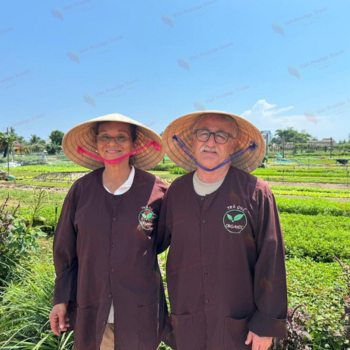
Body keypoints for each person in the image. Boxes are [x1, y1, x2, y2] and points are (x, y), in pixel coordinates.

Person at [157, 111, 287, 350]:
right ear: (193, 141)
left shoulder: (256, 192)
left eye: (221, 136)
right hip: (188, 323)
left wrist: (266, 325)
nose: (210, 142)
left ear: (233, 144)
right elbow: (149, 244)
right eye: (203, 134)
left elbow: (272, 260)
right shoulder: (176, 192)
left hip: (238, 328)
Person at [49, 113, 169, 350]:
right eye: (105, 136)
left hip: (140, 313)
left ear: (134, 144)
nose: (112, 143)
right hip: (92, 311)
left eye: (121, 137)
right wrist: (61, 298)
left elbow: (163, 241)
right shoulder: (81, 190)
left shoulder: (157, 191)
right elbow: (65, 250)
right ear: (96, 144)